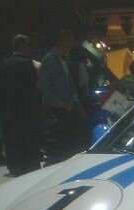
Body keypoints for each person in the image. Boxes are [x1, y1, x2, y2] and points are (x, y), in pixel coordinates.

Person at [0, 35, 42, 176]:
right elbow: (34, 87)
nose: (29, 47)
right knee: (28, 139)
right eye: (27, 44)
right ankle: (30, 164)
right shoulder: (27, 64)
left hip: (9, 111)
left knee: (12, 139)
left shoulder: (4, 64)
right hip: (27, 110)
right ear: (21, 45)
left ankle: (14, 165)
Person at [38, 29, 87, 162]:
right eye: (70, 41)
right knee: (59, 149)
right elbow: (44, 88)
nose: (72, 44)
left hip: (67, 109)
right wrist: (61, 103)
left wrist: (78, 107)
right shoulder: (49, 60)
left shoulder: (62, 60)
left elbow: (71, 88)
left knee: (67, 147)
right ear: (63, 41)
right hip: (57, 110)